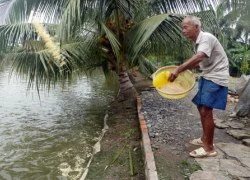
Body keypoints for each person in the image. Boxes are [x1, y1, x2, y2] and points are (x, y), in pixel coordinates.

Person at [169, 16, 229, 158]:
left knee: (206, 110)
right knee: (201, 107)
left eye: (185, 27)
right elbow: (198, 61)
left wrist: (179, 69)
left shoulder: (206, 38)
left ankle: (209, 148)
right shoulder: (197, 42)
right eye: (182, 27)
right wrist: (185, 72)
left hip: (216, 77)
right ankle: (204, 139)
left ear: (196, 27)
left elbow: (199, 57)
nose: (182, 30)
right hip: (208, 75)